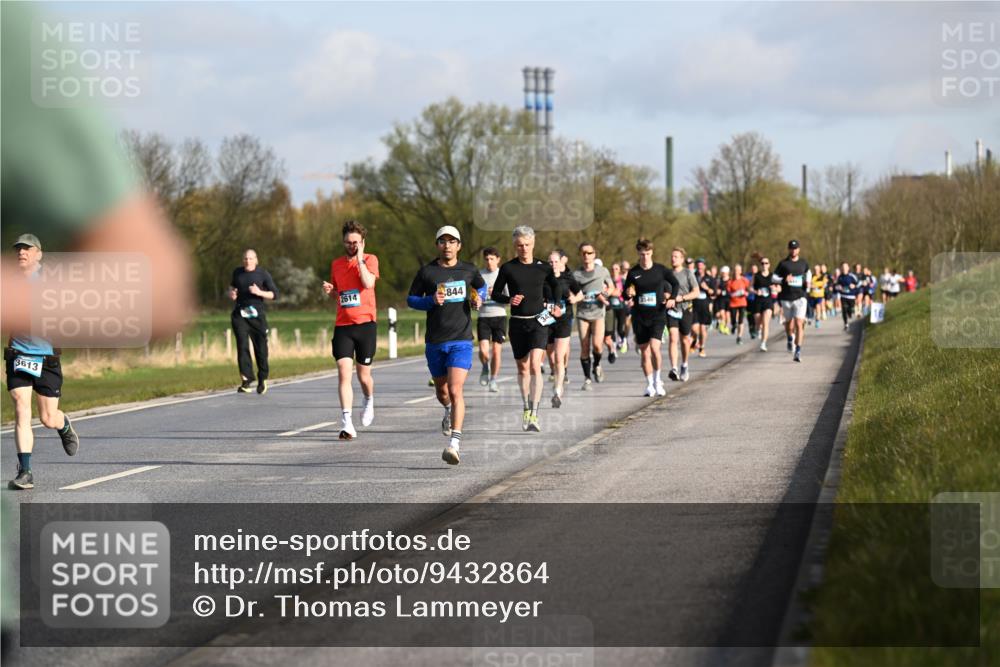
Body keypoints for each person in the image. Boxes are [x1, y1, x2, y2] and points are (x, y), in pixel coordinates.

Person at [6, 235, 81, 490]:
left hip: (46, 357)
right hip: (18, 354)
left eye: (27, 248)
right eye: (18, 248)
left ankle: (63, 425)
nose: (21, 252)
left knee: (48, 418)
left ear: (39, 254)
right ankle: (25, 471)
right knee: (20, 407)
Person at [406, 226, 486, 464]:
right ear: (437, 245)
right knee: (442, 392)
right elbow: (411, 299)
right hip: (435, 341)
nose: (447, 246)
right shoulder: (427, 272)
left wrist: (478, 297)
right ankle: (448, 410)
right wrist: (429, 301)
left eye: (452, 242)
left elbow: (480, 286)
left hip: (461, 339)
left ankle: (454, 443)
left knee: (455, 389)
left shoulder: (469, 269)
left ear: (459, 246)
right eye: (443, 241)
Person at [490, 226, 562, 432]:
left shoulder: (543, 267)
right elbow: (495, 294)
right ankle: (525, 407)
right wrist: (509, 299)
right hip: (517, 322)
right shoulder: (508, 268)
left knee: (534, 365)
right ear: (515, 246)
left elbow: (556, 286)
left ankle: (535, 413)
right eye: (520, 245)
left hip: (539, 321)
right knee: (522, 368)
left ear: (533, 244)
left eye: (527, 245)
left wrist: (557, 303)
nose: (524, 249)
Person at [322, 220, 379, 440]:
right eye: (348, 242)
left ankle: (369, 400)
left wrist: (360, 259)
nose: (351, 245)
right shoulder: (336, 264)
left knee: (364, 376)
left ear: (362, 242)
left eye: (356, 242)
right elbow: (342, 293)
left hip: (366, 324)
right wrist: (332, 291)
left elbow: (367, 284)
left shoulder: (371, 259)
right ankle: (347, 423)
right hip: (343, 325)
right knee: (344, 373)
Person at [625, 240, 681, 395]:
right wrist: (628, 293)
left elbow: (675, 284)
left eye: (648, 254)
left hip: (657, 314)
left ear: (652, 253)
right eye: (642, 254)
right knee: (644, 351)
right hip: (640, 316)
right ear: (638, 254)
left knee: (655, 348)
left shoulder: (660, 270)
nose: (645, 257)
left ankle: (658, 381)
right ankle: (649, 384)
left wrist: (672, 299)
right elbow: (625, 292)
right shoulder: (633, 272)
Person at [229, 249, 278, 394]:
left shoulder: (263, 274)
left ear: (256, 260)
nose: (247, 261)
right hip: (240, 314)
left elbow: (275, 294)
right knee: (242, 345)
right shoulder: (237, 272)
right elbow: (232, 286)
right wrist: (231, 292)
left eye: (250, 259)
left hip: (257, 316)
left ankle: (262, 378)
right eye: (245, 259)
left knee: (261, 348)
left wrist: (259, 292)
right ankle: (246, 380)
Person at [572, 243, 616, 390]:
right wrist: (576, 297)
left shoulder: (602, 271)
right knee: (584, 346)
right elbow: (571, 292)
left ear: (594, 255)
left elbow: (611, 287)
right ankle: (587, 379)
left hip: (598, 313)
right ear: (580, 255)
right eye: (583, 253)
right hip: (582, 313)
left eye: (589, 253)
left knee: (597, 346)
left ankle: (597, 365)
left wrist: (603, 295)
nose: (586, 256)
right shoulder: (576, 274)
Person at [546, 249, 582, 408]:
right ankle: (555, 374)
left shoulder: (568, 278)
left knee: (559, 357)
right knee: (551, 357)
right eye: (551, 262)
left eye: (556, 261)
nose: (554, 265)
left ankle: (557, 391)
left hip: (564, 320)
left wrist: (574, 298)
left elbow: (580, 294)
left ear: (562, 263)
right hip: (546, 320)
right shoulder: (543, 279)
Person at [773, 240, 811, 363]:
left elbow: (808, 272)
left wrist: (808, 282)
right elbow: (773, 277)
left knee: (799, 323)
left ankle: (798, 351)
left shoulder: (803, 263)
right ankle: (790, 338)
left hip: (800, 297)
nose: (793, 250)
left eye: (795, 248)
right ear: (788, 249)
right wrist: (784, 279)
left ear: (799, 249)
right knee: (789, 324)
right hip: (786, 298)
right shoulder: (783, 264)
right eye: (791, 248)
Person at [665, 247, 699, 382]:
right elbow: (662, 289)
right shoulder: (666, 274)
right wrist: (666, 296)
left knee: (685, 340)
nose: (673, 259)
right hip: (671, 311)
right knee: (673, 338)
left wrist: (682, 298)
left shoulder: (688, 273)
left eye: (676, 257)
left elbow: (696, 292)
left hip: (685, 309)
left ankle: (684, 365)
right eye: (672, 256)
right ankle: (673, 368)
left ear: (682, 259)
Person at [476, 247, 507, 393]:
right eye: (487, 259)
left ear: (498, 259)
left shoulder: (503, 275)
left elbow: (509, 299)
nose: (489, 262)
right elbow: (474, 295)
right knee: (483, 350)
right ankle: (485, 366)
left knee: (496, 350)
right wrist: (476, 299)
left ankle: (493, 379)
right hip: (483, 317)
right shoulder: (479, 275)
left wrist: (496, 294)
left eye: (492, 259)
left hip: (499, 315)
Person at [752, 255, 776, 351]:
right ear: (760, 265)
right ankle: (758, 329)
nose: (764, 265)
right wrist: (755, 291)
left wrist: (774, 288)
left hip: (768, 301)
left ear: (769, 265)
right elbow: (750, 287)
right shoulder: (756, 275)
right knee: (758, 322)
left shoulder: (772, 276)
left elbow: (779, 288)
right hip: (758, 301)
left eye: (766, 263)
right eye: (762, 263)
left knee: (766, 323)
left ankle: (763, 343)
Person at [692, 258, 715, 358]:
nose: (700, 267)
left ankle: (702, 347)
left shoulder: (709, 278)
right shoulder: (692, 276)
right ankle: (695, 341)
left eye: (701, 265)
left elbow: (713, 292)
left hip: (704, 305)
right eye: (698, 265)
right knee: (694, 328)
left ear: (704, 266)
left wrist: (706, 288)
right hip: (694, 305)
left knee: (702, 329)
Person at [726, 263, 750, 344]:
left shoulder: (744, 280)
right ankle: (733, 325)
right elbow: (728, 292)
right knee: (733, 319)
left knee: (741, 320)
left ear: (740, 271)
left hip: (742, 302)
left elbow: (749, 289)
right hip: (733, 303)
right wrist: (734, 294)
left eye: (738, 270)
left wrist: (746, 293)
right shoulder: (730, 281)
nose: (736, 272)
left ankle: (739, 337)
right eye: (735, 270)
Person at [834, 262, 859, 330]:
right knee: (844, 309)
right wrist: (838, 287)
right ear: (841, 268)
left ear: (848, 268)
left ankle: (850, 313)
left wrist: (854, 286)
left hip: (851, 296)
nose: (844, 269)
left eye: (845, 267)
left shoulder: (852, 276)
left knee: (850, 310)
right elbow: (835, 286)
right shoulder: (840, 277)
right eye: (843, 267)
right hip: (843, 296)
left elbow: (858, 284)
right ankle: (846, 324)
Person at [808, 264, 827, 328]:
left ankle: (817, 321)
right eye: (815, 269)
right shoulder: (811, 276)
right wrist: (811, 285)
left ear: (819, 270)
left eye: (817, 269)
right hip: (812, 295)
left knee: (818, 307)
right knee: (812, 309)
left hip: (819, 296)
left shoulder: (822, 277)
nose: (816, 271)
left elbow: (823, 284)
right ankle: (810, 317)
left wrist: (815, 285)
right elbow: (809, 284)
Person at [715, 266, 732, 335]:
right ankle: (722, 325)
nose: (724, 274)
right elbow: (716, 288)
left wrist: (722, 292)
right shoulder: (719, 280)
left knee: (728, 314)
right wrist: (717, 291)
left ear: (728, 273)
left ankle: (726, 327)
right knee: (722, 313)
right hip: (721, 299)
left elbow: (731, 290)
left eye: (725, 273)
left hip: (729, 299)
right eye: (723, 273)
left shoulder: (730, 280)